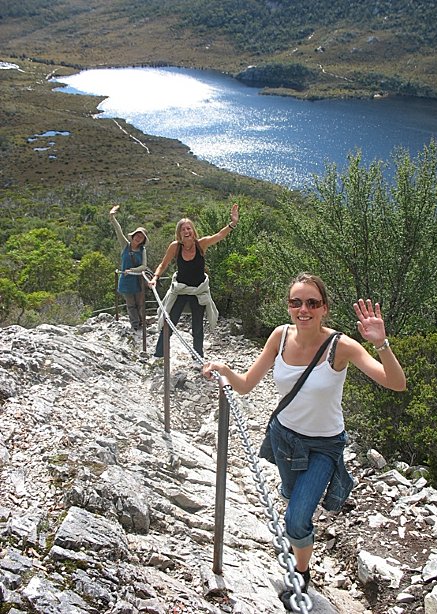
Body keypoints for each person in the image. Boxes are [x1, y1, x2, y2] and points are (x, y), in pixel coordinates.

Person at [202, 272, 406, 610]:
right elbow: (246, 385)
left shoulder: (342, 346)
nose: (303, 309)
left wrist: (381, 343)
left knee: (296, 519)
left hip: (324, 446)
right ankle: (300, 550)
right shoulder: (279, 337)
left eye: (312, 303)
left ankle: (301, 574)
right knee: (292, 499)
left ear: (324, 308)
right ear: (288, 306)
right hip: (284, 438)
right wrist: (224, 369)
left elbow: (396, 383)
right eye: (296, 302)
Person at [148, 203, 239, 359]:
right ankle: (159, 354)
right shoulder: (175, 247)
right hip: (181, 290)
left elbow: (218, 236)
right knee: (169, 321)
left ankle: (198, 357)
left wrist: (233, 223)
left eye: (189, 228)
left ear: (193, 231)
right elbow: (163, 264)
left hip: (199, 290)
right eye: (183, 229)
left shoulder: (201, 244)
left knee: (197, 326)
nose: (186, 231)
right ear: (179, 233)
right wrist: (155, 277)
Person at [109, 205, 149, 331]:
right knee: (130, 305)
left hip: (137, 280)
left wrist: (132, 271)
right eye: (137, 235)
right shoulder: (125, 246)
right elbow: (118, 231)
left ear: (143, 240)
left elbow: (144, 266)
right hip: (126, 281)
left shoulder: (142, 250)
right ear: (133, 236)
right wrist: (112, 216)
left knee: (140, 304)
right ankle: (135, 325)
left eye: (141, 237)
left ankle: (142, 323)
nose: (138, 238)